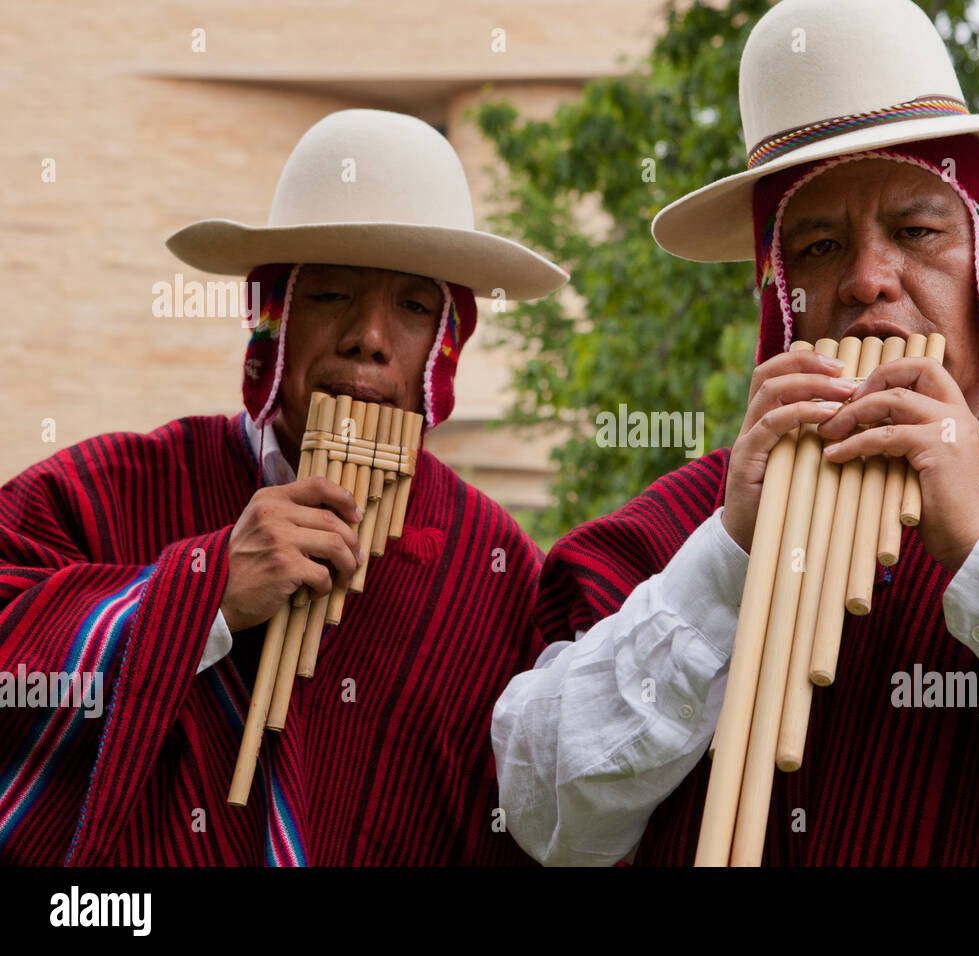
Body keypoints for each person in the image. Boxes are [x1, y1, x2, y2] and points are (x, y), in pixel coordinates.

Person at [492, 0, 979, 866]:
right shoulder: (679, 525)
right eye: (817, 247)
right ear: (778, 297)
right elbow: (547, 822)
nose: (869, 279)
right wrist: (727, 561)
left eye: (916, 232)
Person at [0, 108, 567, 865]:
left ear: (445, 346)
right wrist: (199, 597)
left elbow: (552, 815)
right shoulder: (102, 491)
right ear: (272, 321)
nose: (370, 336)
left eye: (413, 305)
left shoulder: (496, 573)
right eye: (332, 294)